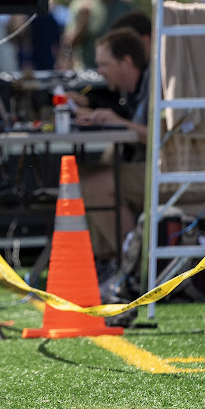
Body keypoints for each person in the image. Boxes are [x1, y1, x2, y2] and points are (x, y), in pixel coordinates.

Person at [73, 27, 149, 278]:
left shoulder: (156, 84)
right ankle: (109, 263)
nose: (100, 72)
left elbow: (161, 137)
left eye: (104, 64)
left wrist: (118, 122)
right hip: (149, 166)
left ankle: (135, 269)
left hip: (171, 172)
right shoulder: (135, 88)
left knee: (94, 183)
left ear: (126, 61)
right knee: (84, 175)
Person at [61, 0, 135, 70]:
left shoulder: (125, 8)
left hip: (116, 71)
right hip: (87, 70)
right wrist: (82, 23)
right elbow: (69, 44)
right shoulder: (81, 5)